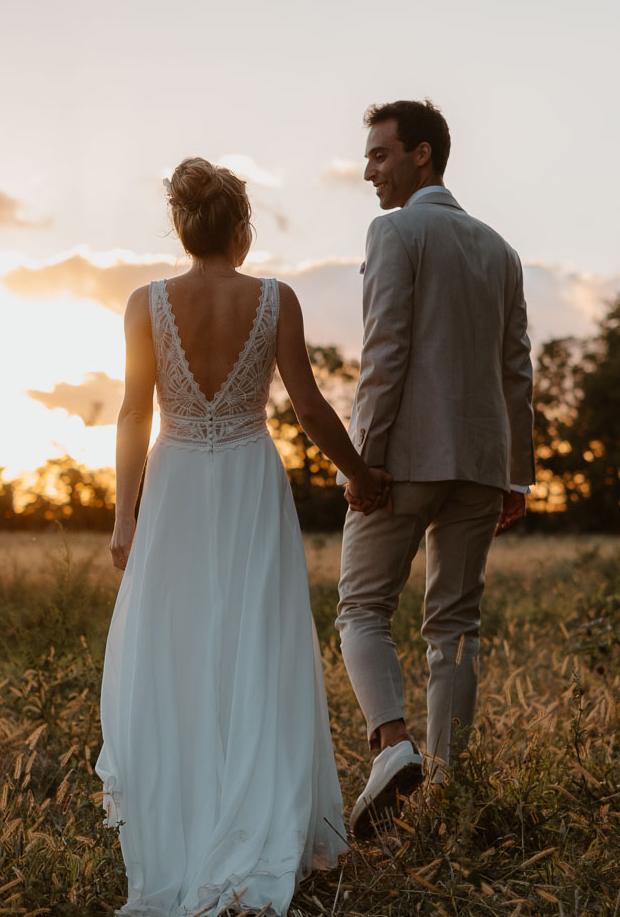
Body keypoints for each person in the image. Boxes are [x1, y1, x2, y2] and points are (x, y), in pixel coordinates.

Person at [97, 157, 390, 916]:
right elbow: (311, 407)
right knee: (255, 645)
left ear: (182, 225)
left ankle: (191, 819)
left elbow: (134, 414)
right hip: (252, 485)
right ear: (240, 226)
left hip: (178, 484)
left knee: (182, 648)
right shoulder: (275, 299)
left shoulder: (145, 303)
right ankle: (257, 823)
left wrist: (124, 518)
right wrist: (358, 472)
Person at [336, 99, 536, 840]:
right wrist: (518, 473)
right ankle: (448, 781)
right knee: (455, 623)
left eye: (380, 156)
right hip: (483, 467)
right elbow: (517, 370)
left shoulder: (395, 231)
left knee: (361, 609)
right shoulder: (501, 250)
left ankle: (393, 749)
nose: (368, 172)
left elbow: (383, 355)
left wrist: (364, 463)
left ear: (423, 155)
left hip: (404, 461)